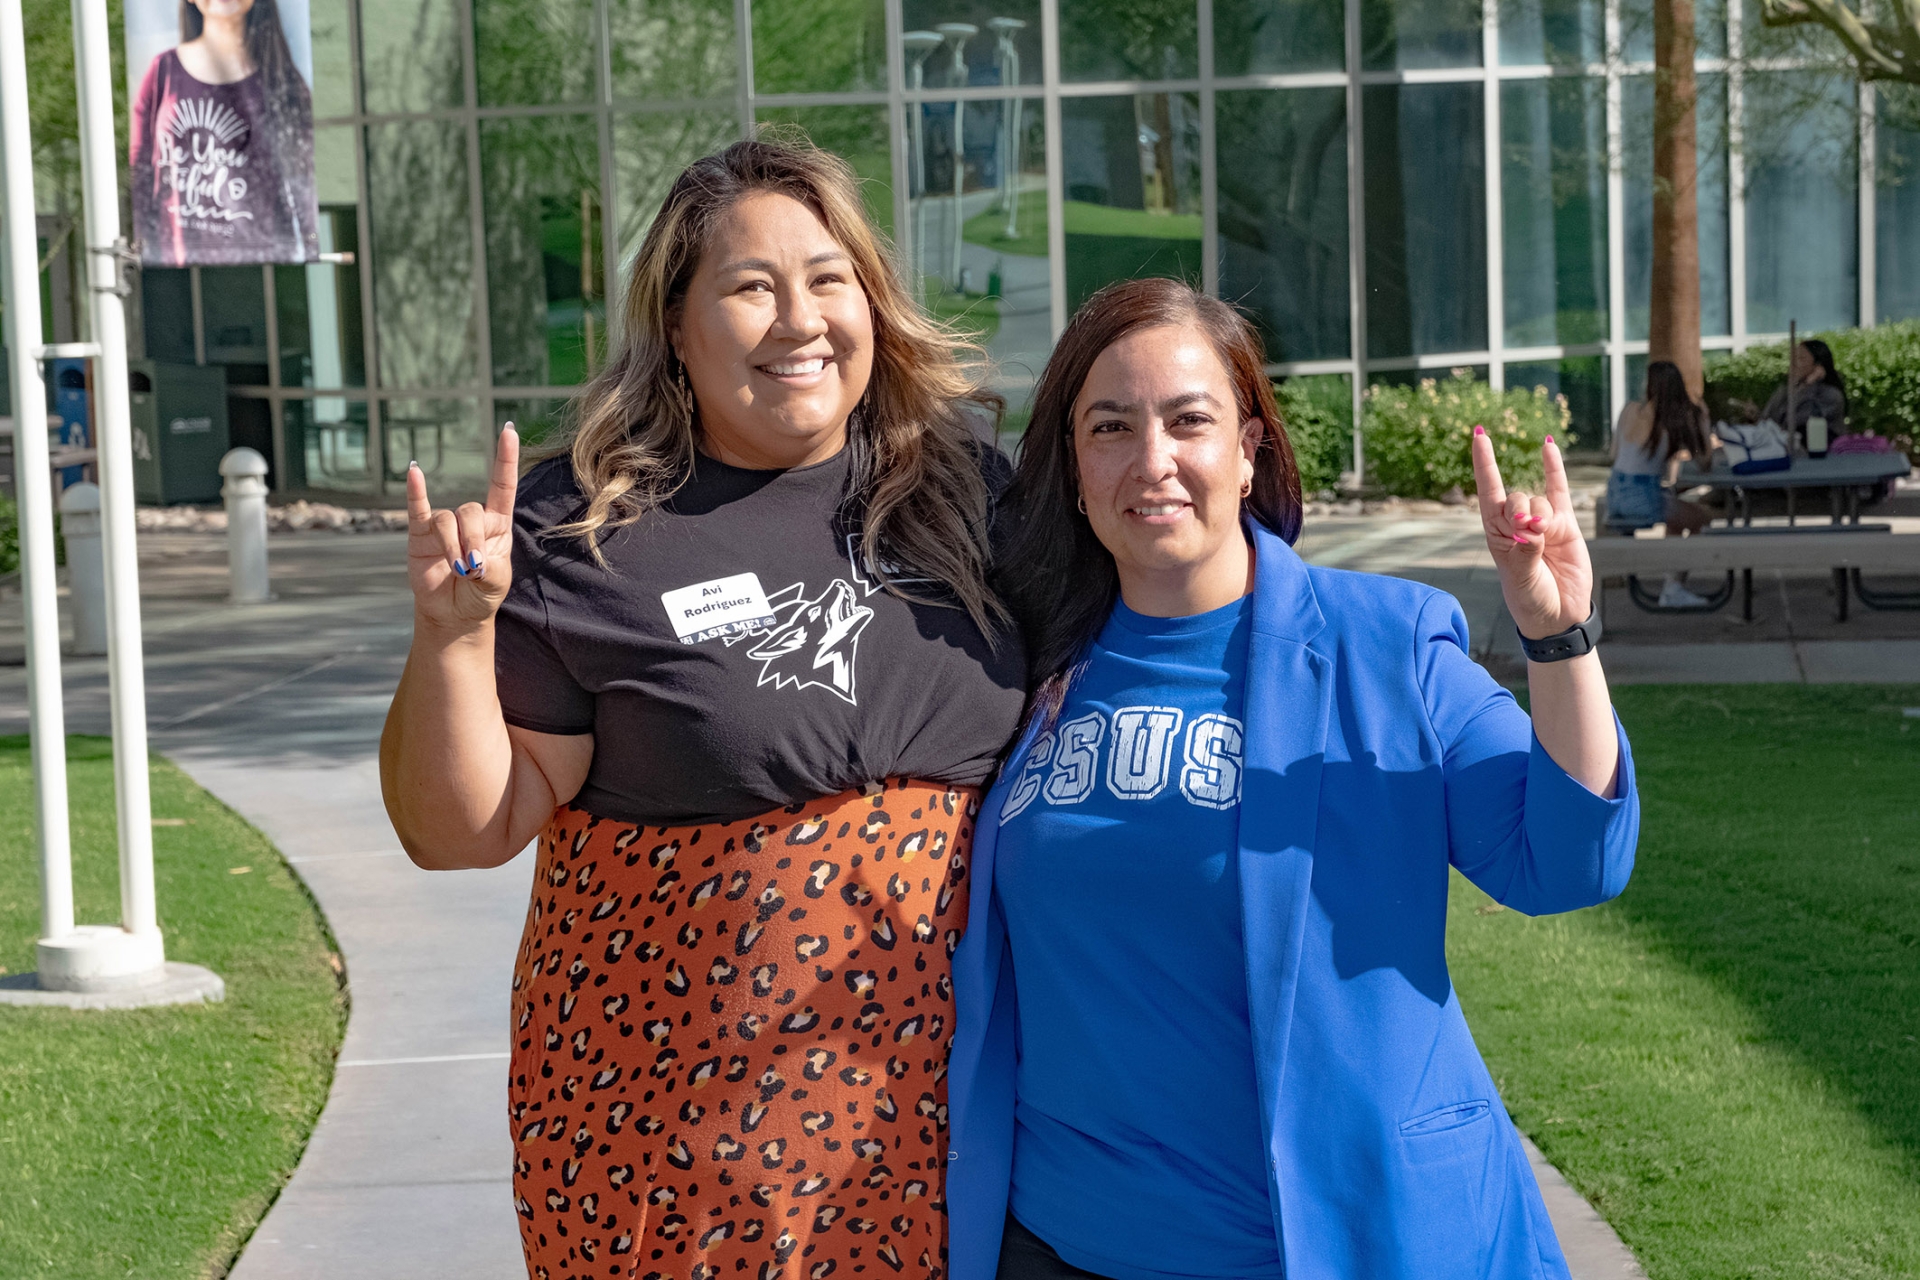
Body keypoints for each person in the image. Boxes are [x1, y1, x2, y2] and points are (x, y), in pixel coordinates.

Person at [380, 137, 1027, 1280]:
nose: (800, 320)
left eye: (830, 279)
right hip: (685, 1144)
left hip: (960, 1117)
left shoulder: (970, 493)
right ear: (677, 328)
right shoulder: (586, 530)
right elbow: (460, 829)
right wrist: (452, 640)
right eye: (751, 286)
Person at [948, 278, 1638, 1280]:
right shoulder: (1022, 661)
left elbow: (1566, 860)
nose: (1155, 460)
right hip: (1061, 1242)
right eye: (1111, 427)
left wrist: (1557, 635)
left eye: (1190, 420)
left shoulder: (1384, 645)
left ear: (1247, 448)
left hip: (1335, 1243)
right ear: (1074, 461)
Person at [129, 0, 319, 265]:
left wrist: (311, 250)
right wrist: (144, 244)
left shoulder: (283, 81)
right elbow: (141, 169)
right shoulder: (163, 72)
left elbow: (301, 177)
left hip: (265, 263)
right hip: (177, 263)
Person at [1606, 359, 1717, 607]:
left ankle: (1672, 586)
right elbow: (1705, 463)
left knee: (1678, 521)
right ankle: (1674, 586)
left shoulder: (1629, 410)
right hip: (1643, 496)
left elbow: (1615, 455)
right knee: (1703, 518)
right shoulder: (1675, 420)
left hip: (1615, 494)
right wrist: (1705, 421)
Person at [1739, 339, 1847, 433]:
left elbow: (1796, 423)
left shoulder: (1830, 395)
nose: (1793, 364)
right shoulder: (1786, 389)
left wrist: (1808, 384)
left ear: (1818, 365)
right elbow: (1769, 422)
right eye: (1793, 358)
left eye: (1801, 358)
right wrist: (1756, 417)